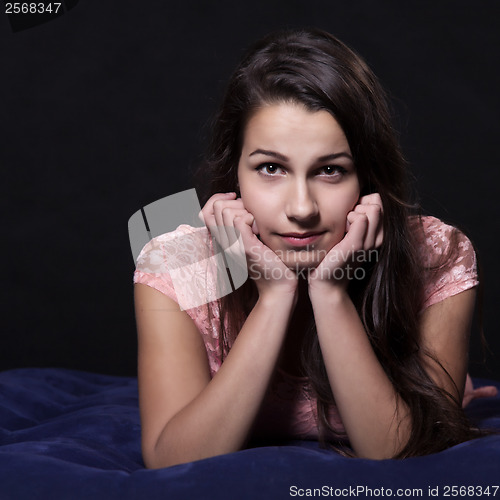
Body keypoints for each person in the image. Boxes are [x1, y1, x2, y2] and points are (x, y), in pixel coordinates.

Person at [133, 28, 497, 468]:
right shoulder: (177, 267)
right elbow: (170, 461)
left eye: (330, 170)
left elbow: (395, 452)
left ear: (366, 179)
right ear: (233, 178)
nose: (302, 208)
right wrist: (274, 296)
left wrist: (329, 293)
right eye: (270, 168)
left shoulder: (437, 255)